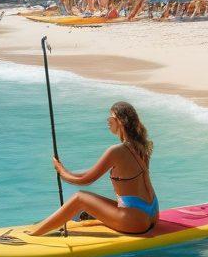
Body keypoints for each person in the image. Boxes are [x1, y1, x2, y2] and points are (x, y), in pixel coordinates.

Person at [30, 101, 158, 236]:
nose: (108, 122)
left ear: (120, 121)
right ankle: (91, 216)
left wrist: (60, 170)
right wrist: (64, 170)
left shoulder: (117, 151)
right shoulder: (141, 146)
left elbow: (85, 180)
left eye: (111, 118)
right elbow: (87, 175)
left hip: (136, 221)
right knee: (90, 200)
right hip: (152, 212)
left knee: (79, 198)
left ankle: (34, 233)